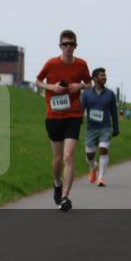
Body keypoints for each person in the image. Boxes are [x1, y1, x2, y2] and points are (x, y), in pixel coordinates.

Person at [35, 30, 92, 211]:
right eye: (65, 44)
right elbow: (38, 81)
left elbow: (89, 83)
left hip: (73, 116)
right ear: (60, 46)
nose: (68, 47)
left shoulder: (81, 64)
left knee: (68, 156)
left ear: (76, 46)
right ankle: (57, 182)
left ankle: (65, 197)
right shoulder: (51, 63)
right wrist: (52, 87)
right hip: (53, 116)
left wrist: (79, 85)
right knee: (58, 159)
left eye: (71, 44)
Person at [81, 68, 119, 186]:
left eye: (105, 75)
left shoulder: (110, 94)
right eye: (102, 75)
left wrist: (116, 127)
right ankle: (93, 167)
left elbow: (114, 112)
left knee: (103, 149)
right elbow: (81, 110)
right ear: (94, 78)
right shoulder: (86, 94)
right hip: (91, 128)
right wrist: (78, 122)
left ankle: (101, 178)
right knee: (89, 155)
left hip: (105, 127)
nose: (104, 77)